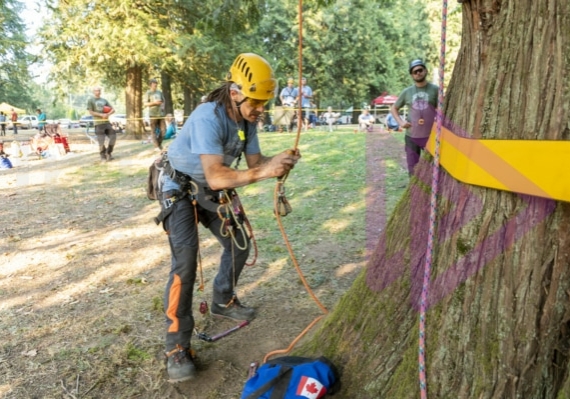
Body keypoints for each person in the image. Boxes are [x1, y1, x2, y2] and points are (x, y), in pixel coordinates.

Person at [158, 53, 301, 383]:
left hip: (211, 189)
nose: (262, 109)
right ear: (236, 92)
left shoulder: (246, 121)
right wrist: (265, 171)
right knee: (185, 265)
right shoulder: (208, 116)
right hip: (179, 189)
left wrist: (276, 160)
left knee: (240, 246)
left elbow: (254, 163)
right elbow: (218, 175)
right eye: (257, 101)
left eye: (265, 102)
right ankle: (176, 346)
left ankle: (223, 298)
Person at [391, 59, 438, 176]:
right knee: (413, 168)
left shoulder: (436, 90)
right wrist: (401, 122)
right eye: (414, 71)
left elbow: (443, 109)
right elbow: (394, 108)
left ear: (425, 71)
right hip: (412, 136)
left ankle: (432, 191)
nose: (418, 73)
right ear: (412, 75)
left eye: (420, 70)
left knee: (433, 167)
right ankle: (414, 192)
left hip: (431, 136)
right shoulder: (407, 92)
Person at [87, 86, 116, 162]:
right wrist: (101, 115)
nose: (98, 92)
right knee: (101, 141)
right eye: (96, 91)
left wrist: (107, 114)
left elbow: (113, 110)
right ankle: (103, 156)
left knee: (113, 137)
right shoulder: (91, 100)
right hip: (98, 123)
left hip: (107, 122)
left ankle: (108, 152)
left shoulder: (104, 100)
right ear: (93, 92)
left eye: (99, 90)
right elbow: (91, 112)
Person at [144, 78, 166, 151]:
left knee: (164, 130)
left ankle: (159, 144)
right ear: (150, 84)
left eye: (156, 83)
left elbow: (163, 101)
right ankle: (156, 146)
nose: (155, 84)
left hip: (161, 114)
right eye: (154, 83)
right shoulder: (148, 93)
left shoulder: (159, 92)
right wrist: (154, 103)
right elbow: (145, 103)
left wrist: (163, 107)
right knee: (153, 131)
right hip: (153, 114)